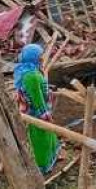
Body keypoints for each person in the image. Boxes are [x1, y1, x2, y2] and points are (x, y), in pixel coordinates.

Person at [14, 44, 61, 174]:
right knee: (41, 139)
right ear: (32, 57)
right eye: (39, 56)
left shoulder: (26, 70)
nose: (42, 58)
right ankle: (42, 165)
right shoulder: (31, 76)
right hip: (36, 113)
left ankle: (50, 158)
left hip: (36, 111)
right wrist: (44, 113)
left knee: (46, 135)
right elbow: (36, 98)